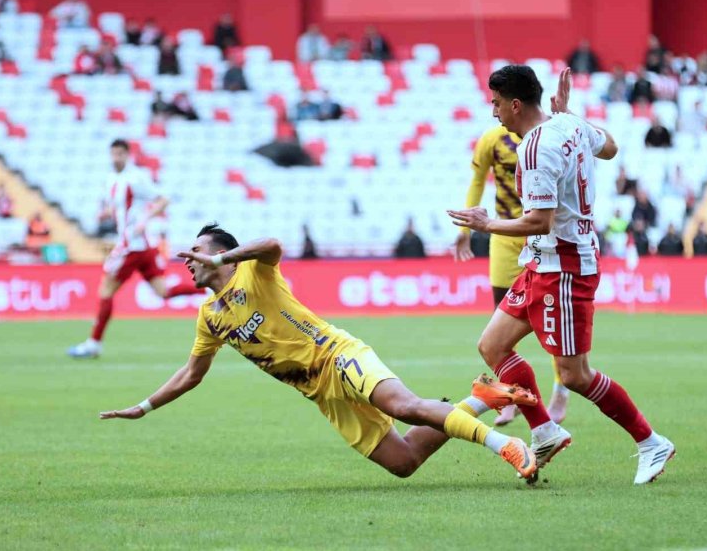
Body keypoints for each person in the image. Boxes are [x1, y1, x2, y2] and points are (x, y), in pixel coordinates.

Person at [99, 223, 540, 482]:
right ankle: (484, 397)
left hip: (338, 355)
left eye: (196, 253)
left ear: (222, 256)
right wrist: (144, 406)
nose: (188, 261)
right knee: (403, 462)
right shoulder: (209, 316)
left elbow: (272, 244)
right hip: (319, 392)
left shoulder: (255, 274)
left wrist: (226, 257)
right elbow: (191, 373)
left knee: (405, 407)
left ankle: (508, 445)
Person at [448, 66, 674, 485]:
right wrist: (571, 113)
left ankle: (650, 441)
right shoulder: (568, 123)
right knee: (492, 345)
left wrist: (486, 225)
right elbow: (610, 146)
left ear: (515, 105)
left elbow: (539, 221)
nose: (493, 112)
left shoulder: (534, 150)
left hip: (566, 269)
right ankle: (545, 430)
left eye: (496, 103)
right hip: (542, 263)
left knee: (574, 375)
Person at [455, 122, 570, 426]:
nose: (495, 111)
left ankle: (561, 388)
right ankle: (512, 394)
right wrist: (466, 228)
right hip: (505, 237)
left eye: (499, 103)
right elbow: (478, 181)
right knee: (500, 322)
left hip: (541, 233)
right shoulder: (491, 140)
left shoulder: (546, 139)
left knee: (552, 320)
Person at [68, 140, 203, 359]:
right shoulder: (113, 179)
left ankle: (94, 343)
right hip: (144, 247)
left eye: (120, 154)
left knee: (105, 290)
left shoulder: (136, 177)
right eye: (113, 154)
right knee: (163, 292)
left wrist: (145, 219)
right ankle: (206, 289)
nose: (116, 158)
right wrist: (107, 212)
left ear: (128, 155)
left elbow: (162, 200)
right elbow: (120, 208)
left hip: (131, 245)